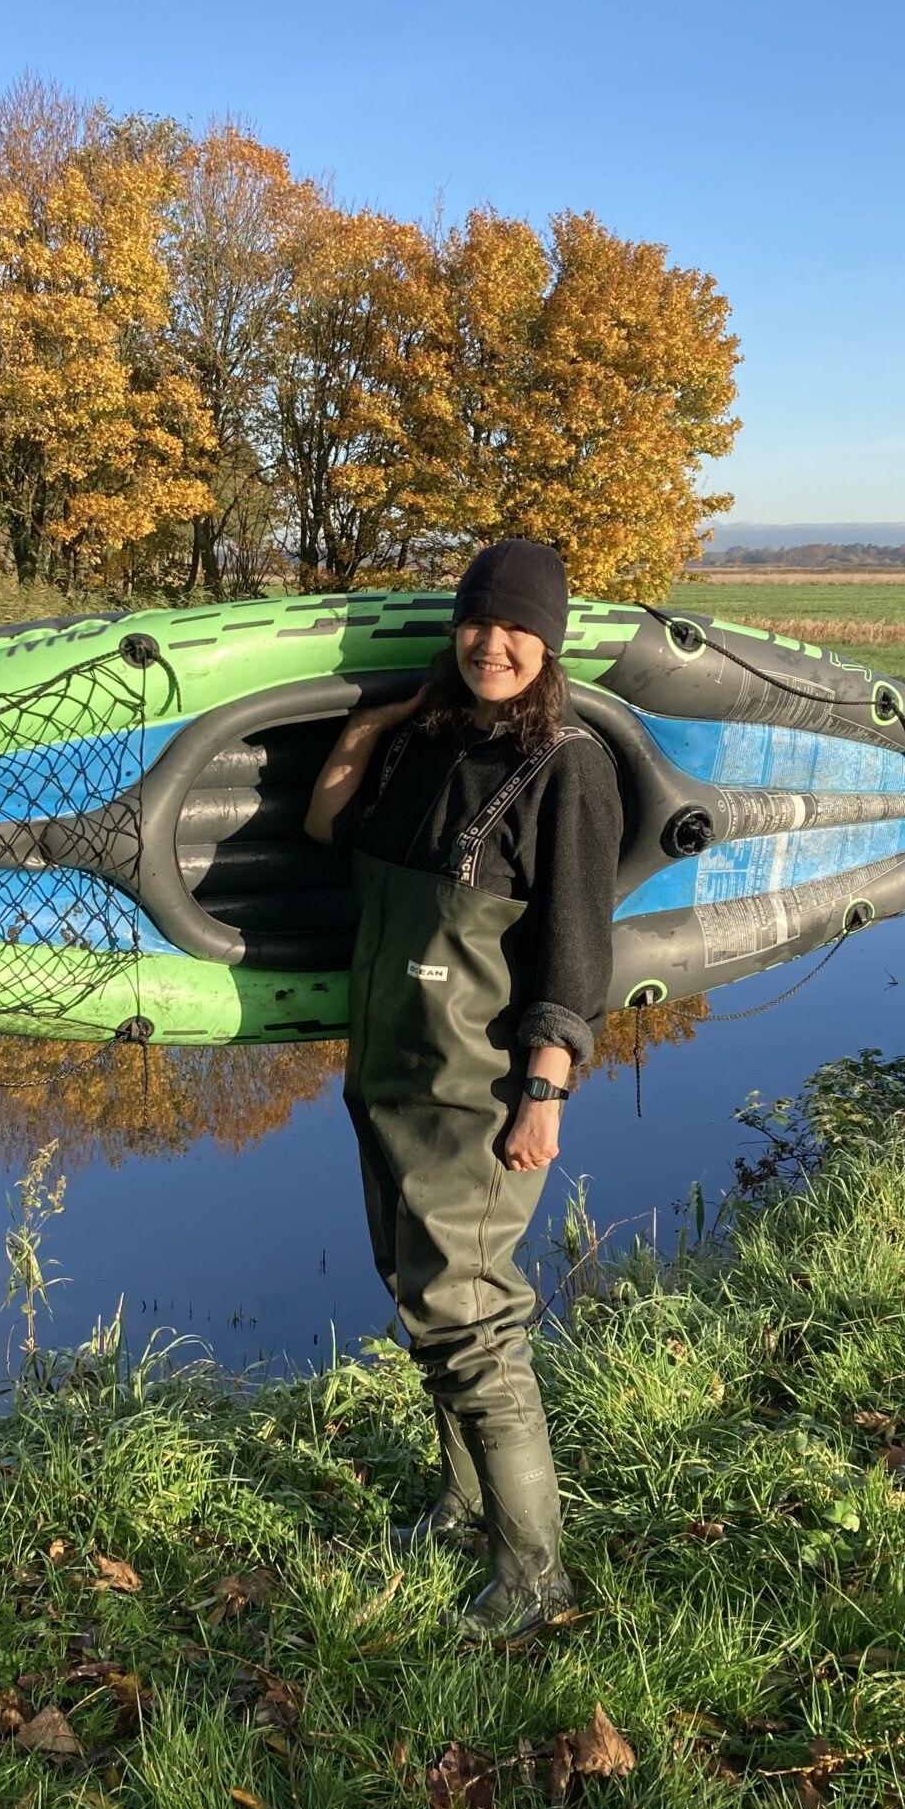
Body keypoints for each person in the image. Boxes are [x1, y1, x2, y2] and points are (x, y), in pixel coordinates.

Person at [304, 540, 623, 1638]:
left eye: (518, 629)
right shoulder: (429, 745)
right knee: (423, 1300)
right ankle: (462, 1507)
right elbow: (323, 827)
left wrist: (546, 1091)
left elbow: (577, 951)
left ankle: (536, 1580)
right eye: (480, 624)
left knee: (474, 1321)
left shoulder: (567, 765)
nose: (495, 644)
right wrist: (374, 722)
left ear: (551, 641)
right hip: (388, 1074)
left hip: (477, 1090)